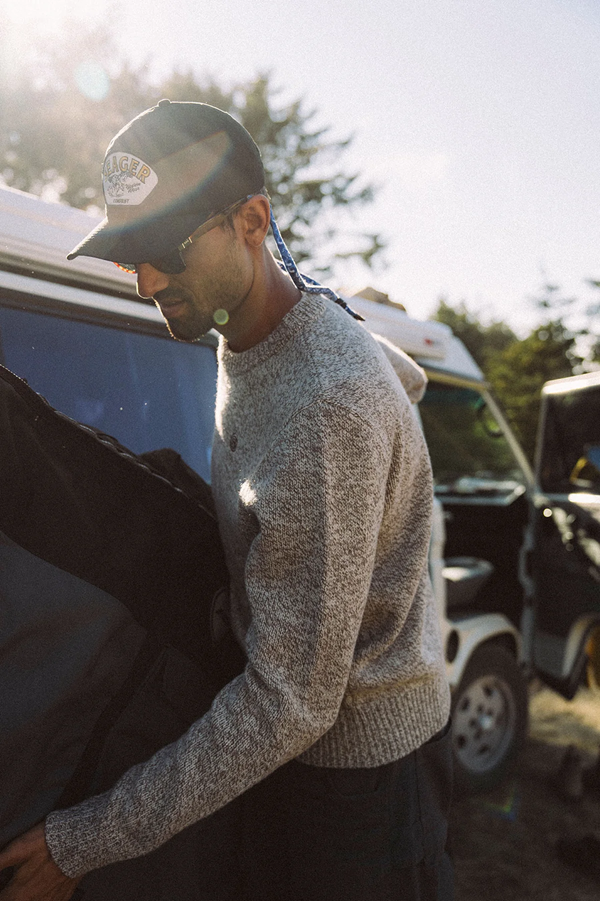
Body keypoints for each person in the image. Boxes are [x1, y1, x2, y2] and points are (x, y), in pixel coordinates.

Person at [0, 99, 453, 901]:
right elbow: (396, 375)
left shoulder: (327, 411)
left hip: (352, 790)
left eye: (161, 250)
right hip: (298, 743)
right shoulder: (268, 320)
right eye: (126, 254)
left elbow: (290, 702)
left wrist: (78, 844)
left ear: (251, 220)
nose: (144, 281)